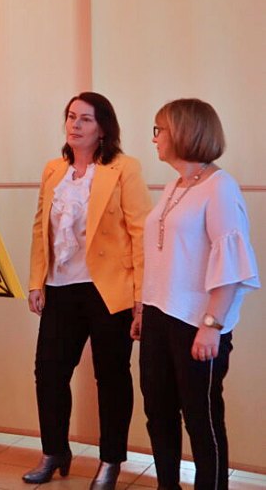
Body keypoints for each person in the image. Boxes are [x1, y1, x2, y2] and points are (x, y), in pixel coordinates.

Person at [23, 92, 151, 489]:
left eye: (85, 119)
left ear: (103, 129)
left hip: (108, 289)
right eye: (71, 116)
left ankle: (111, 461)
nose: (75, 125)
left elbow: (141, 233)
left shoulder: (123, 168)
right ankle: (54, 451)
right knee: (48, 372)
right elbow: (40, 229)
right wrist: (36, 281)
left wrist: (140, 298)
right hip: (61, 287)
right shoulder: (54, 169)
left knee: (111, 377)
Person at [134, 99, 258, 490]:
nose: (154, 139)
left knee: (202, 420)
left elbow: (231, 265)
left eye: (159, 130)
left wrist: (211, 325)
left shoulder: (220, 187)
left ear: (183, 132)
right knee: (158, 413)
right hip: (158, 315)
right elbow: (164, 256)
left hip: (197, 322)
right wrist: (143, 309)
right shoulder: (174, 185)